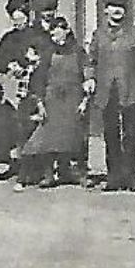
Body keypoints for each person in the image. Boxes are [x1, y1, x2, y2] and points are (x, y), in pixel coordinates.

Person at [84, 0, 135, 192]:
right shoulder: (99, 35)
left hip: (130, 90)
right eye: (113, 7)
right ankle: (113, 177)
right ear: (106, 10)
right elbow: (91, 60)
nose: (117, 11)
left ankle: (132, 178)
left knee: (130, 134)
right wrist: (89, 78)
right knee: (110, 134)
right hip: (107, 92)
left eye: (121, 7)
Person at [22, 15, 88, 188]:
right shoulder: (47, 54)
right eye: (52, 36)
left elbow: (87, 76)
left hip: (73, 99)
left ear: (67, 31)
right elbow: (38, 81)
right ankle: (48, 174)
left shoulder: (79, 52)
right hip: (52, 100)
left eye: (59, 35)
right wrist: (40, 105)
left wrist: (85, 101)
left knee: (73, 138)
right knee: (49, 138)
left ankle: (71, 172)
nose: (56, 39)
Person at [0, 0, 47, 173]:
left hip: (31, 83)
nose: (19, 22)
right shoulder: (8, 37)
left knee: (28, 122)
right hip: (10, 85)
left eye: (22, 19)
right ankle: (12, 159)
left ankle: (33, 162)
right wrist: (9, 65)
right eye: (15, 19)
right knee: (7, 121)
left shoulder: (38, 35)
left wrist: (26, 64)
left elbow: (44, 58)